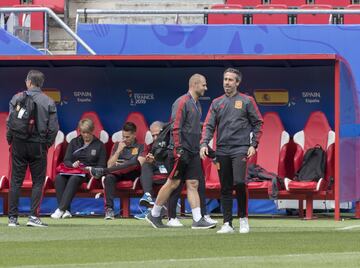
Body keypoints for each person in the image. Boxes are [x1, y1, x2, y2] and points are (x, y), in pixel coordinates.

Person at [146, 73, 216, 229]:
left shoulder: (197, 104)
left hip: (192, 151)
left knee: (193, 183)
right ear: (195, 84)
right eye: (204, 85)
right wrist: (178, 149)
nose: (206, 87)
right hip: (180, 152)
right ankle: (154, 214)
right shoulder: (182, 102)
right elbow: (176, 126)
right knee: (173, 183)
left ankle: (198, 219)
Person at [200, 68, 263, 234]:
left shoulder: (247, 101)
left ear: (237, 82)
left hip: (241, 148)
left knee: (240, 183)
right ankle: (227, 223)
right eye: (225, 79)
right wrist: (204, 143)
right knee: (225, 187)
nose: (227, 82)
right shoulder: (216, 103)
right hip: (222, 150)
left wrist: (253, 144)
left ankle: (243, 218)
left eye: (230, 80)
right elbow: (208, 125)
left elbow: (258, 123)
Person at [6, 70, 59, 227]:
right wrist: (46, 144)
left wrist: (11, 141)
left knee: (15, 181)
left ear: (28, 82)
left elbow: (10, 123)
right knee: (37, 182)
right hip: (38, 145)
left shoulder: (17, 98)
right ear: (41, 84)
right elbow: (54, 128)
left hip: (18, 144)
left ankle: (12, 219)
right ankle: (33, 217)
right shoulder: (48, 101)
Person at [51, 118, 107, 219]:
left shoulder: (99, 145)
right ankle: (66, 210)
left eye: (88, 133)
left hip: (88, 174)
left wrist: (89, 168)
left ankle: (60, 209)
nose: (85, 135)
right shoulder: (74, 142)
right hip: (72, 170)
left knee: (74, 178)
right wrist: (72, 165)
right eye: (83, 132)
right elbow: (66, 160)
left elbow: (102, 166)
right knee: (59, 178)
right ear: (80, 132)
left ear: (92, 131)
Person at [88, 122, 144, 220]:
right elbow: (110, 164)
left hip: (132, 173)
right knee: (109, 177)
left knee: (133, 162)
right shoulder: (118, 145)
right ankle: (109, 210)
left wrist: (123, 165)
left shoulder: (141, 146)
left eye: (128, 137)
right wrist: (118, 151)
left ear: (134, 134)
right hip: (116, 172)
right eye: (123, 137)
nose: (125, 139)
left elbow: (139, 163)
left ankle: (102, 171)